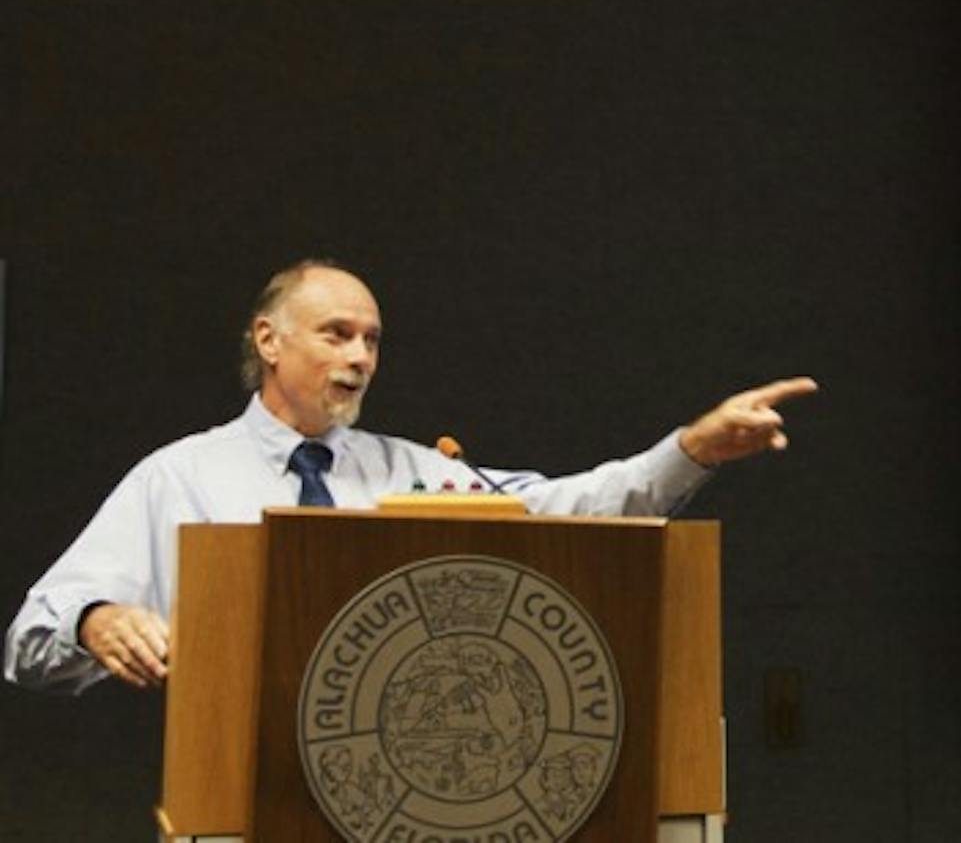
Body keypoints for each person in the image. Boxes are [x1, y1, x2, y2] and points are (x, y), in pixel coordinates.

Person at [4, 260, 816, 694]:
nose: (361, 356)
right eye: (337, 333)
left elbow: (574, 507)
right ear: (270, 340)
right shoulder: (179, 475)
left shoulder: (417, 474)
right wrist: (96, 621)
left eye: (373, 339)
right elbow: (29, 640)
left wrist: (693, 449)